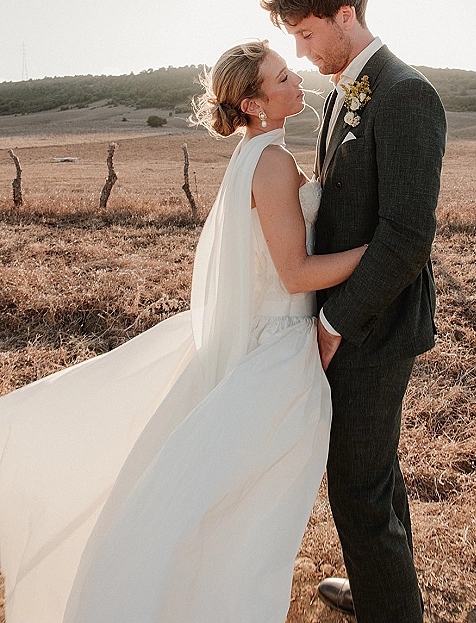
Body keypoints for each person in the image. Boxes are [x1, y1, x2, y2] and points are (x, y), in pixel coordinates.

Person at [0, 40, 366, 623]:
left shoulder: (260, 152)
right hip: (278, 344)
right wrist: (379, 253)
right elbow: (295, 274)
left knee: (227, 493)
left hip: (267, 334)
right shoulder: (270, 163)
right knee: (247, 503)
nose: (296, 79)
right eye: (280, 77)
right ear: (252, 103)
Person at [261, 0, 447, 623]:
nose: (305, 55)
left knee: (357, 488)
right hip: (349, 315)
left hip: (375, 324)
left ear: (347, 14)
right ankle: (382, 591)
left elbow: (405, 236)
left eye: (308, 35)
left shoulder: (405, 95)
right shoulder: (347, 88)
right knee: (376, 475)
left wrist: (333, 323)